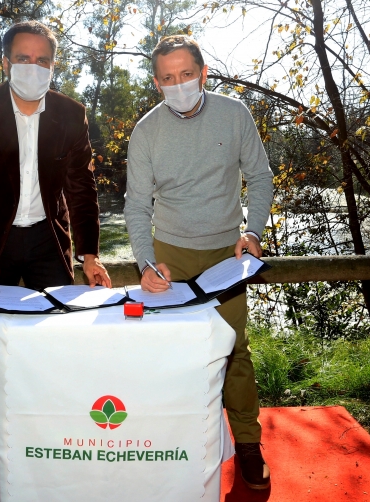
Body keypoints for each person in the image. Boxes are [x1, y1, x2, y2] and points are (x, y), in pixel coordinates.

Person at [0, 20, 112, 475]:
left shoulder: (69, 113)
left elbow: (82, 188)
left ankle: (56, 438)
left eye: (43, 60)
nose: (32, 68)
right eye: (23, 59)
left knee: (58, 342)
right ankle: (6, 441)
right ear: (5, 62)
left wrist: (90, 255)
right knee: (0, 348)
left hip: (46, 241)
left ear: (53, 66)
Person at [123, 35, 274, 490]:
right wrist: (146, 263)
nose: (179, 84)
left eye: (186, 74)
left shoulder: (235, 114)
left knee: (233, 351)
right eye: (168, 78)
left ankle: (247, 442)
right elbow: (136, 207)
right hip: (169, 256)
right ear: (157, 83)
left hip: (227, 255)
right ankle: (176, 444)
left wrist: (253, 233)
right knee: (172, 354)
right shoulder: (146, 132)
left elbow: (261, 177)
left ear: (204, 72)